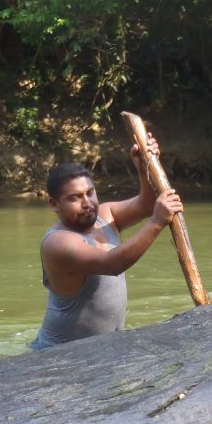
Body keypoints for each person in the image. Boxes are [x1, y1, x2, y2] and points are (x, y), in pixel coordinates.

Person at [31, 135, 182, 349]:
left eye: (90, 193)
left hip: (103, 349)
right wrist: (157, 222)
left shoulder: (106, 214)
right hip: (59, 353)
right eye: (74, 198)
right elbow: (111, 264)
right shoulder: (58, 242)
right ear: (54, 204)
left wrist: (144, 167)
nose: (87, 203)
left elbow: (147, 205)